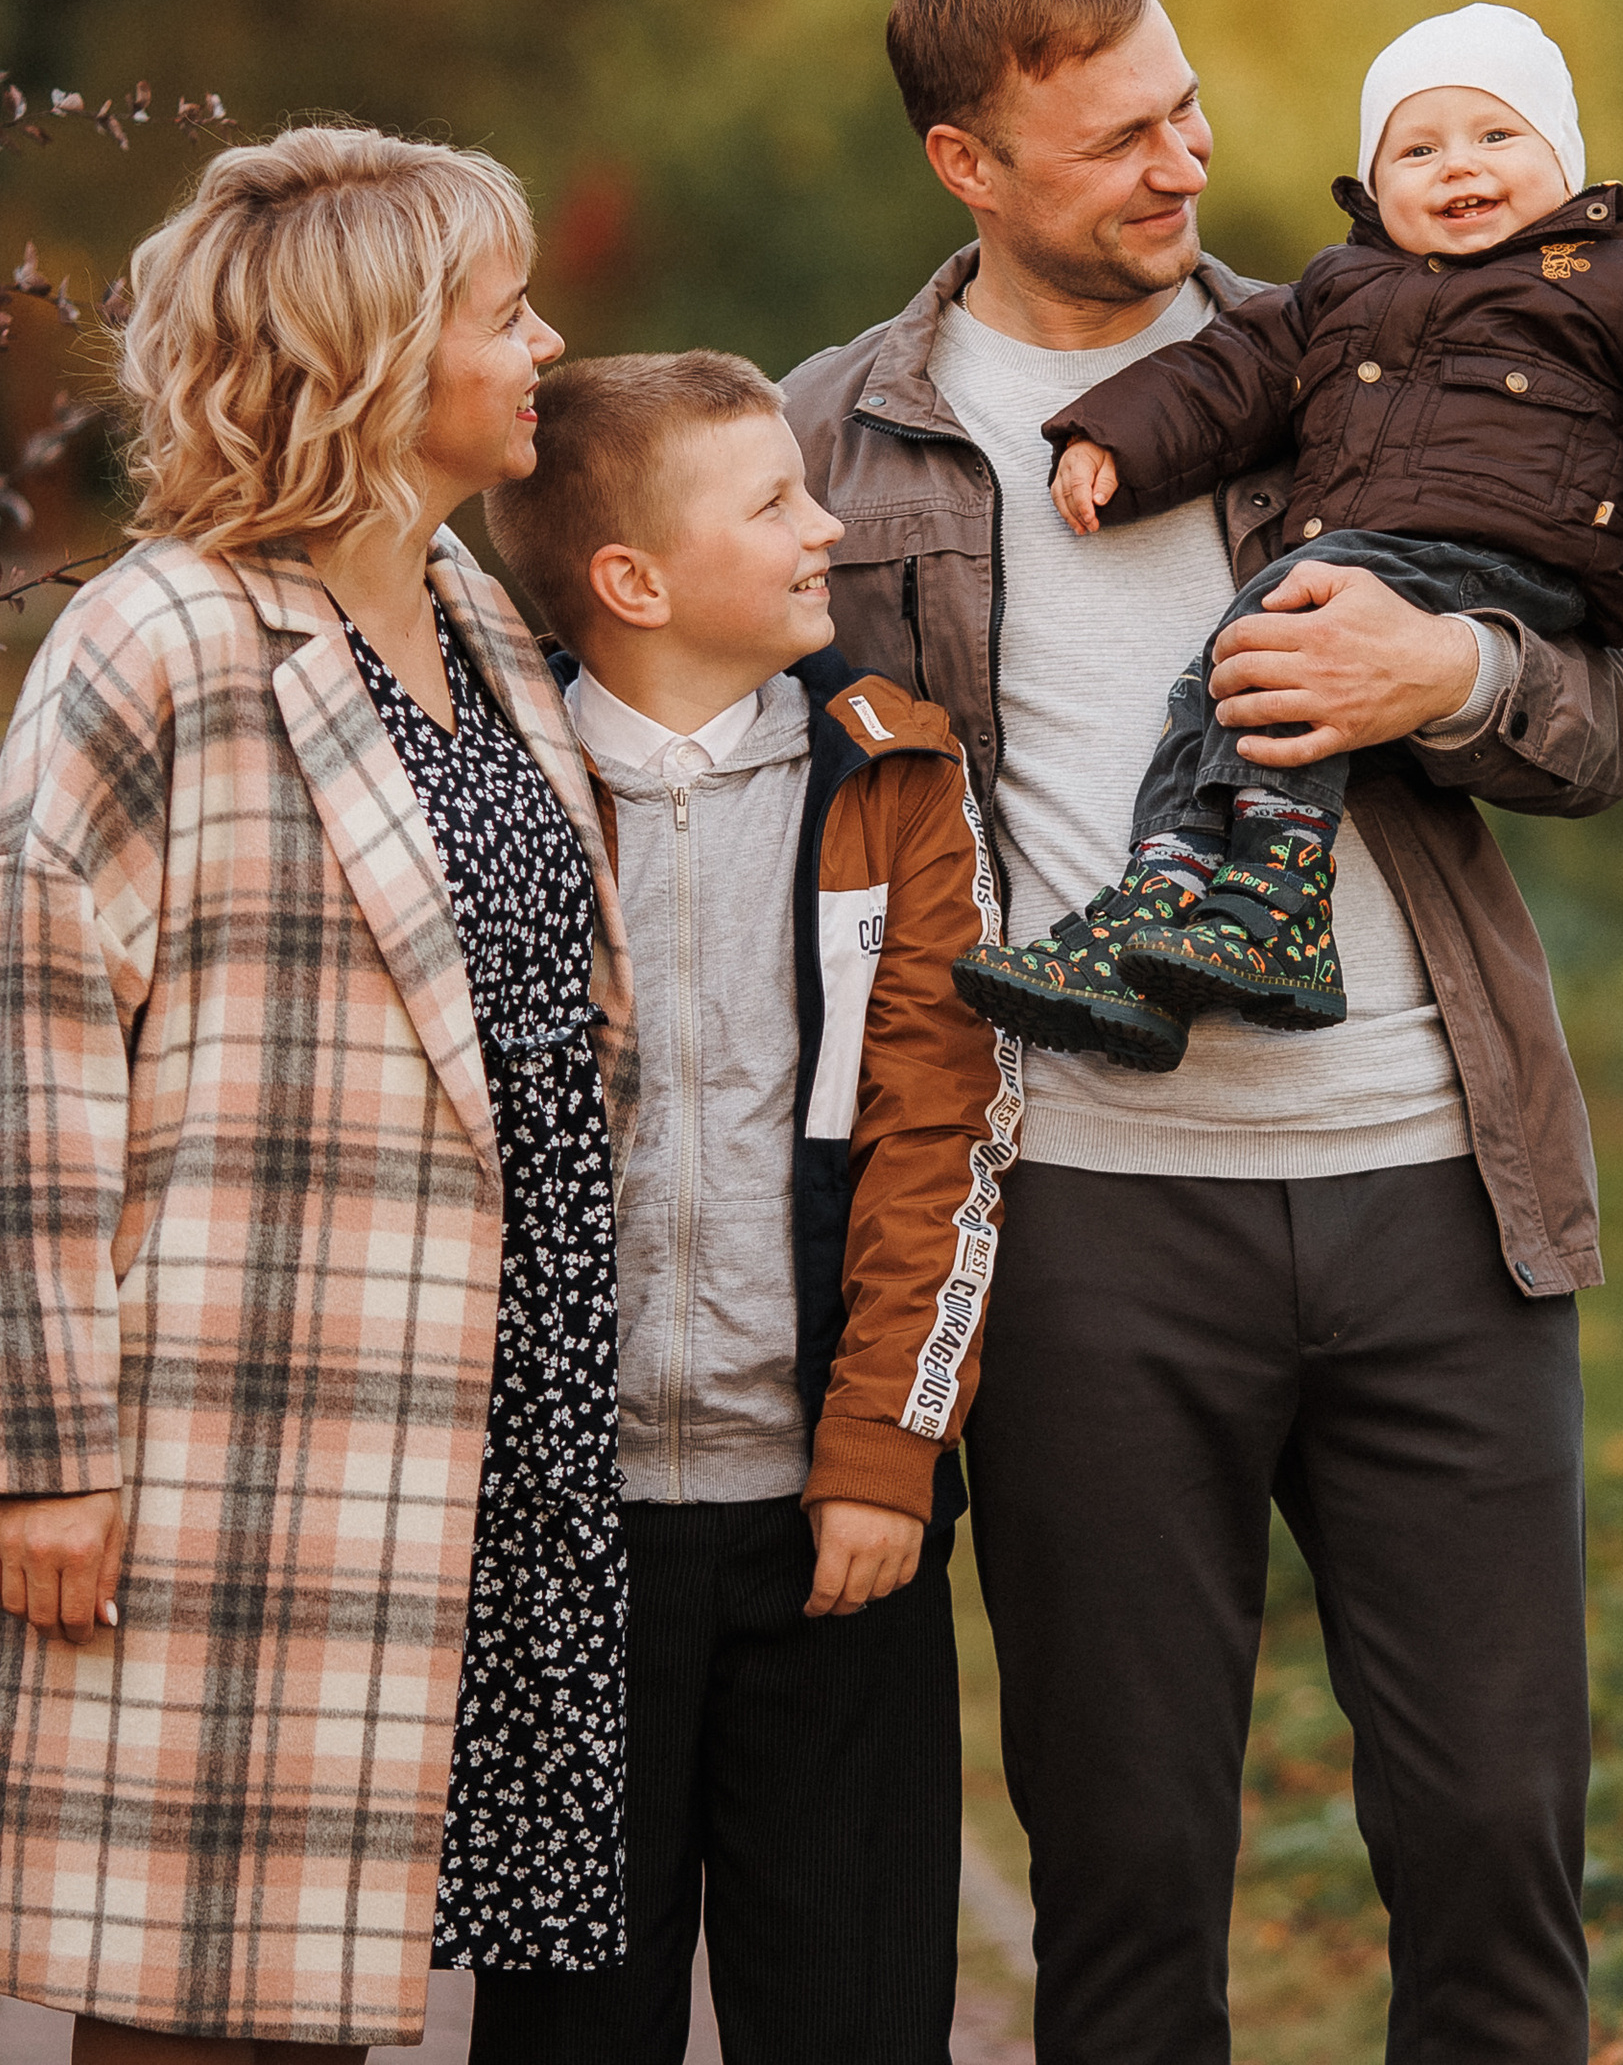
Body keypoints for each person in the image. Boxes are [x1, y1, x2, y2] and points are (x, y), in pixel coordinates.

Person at [780, 0, 1623, 2065]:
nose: (1185, 165)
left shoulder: (1380, 341)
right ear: (965, 166)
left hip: (1440, 1195)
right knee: (1129, 1874)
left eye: (1186, 109)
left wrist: (1443, 666)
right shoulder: (825, 443)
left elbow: (1605, 719)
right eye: (1115, 142)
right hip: (1080, 1224)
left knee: (1491, 1849)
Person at [0, 126, 638, 2061]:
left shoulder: (482, 627)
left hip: (480, 1416)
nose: (547, 344)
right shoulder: (158, 643)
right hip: (235, 1439)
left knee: (313, 1981)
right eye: (505, 314)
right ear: (382, 360)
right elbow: (17, 1083)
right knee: (188, 1995)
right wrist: (42, 1453)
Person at [478, 350, 1020, 2064]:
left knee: (855, 2017)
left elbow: (949, 1131)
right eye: (774, 500)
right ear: (634, 581)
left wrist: (885, 1458)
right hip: (567, 1539)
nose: (828, 526)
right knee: (570, 2025)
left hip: (830, 1529)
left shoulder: (896, 780)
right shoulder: (493, 785)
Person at [954, 0, 1623, 1058]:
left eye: (1496, 136)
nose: (1459, 168)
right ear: (1374, 185)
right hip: (1366, 555)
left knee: (1282, 625)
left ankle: (1277, 894)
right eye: (1418, 149)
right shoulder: (1340, 288)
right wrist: (1110, 441)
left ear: (1564, 154)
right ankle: (1161, 903)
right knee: (1220, 674)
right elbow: (1226, 376)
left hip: (1507, 562)